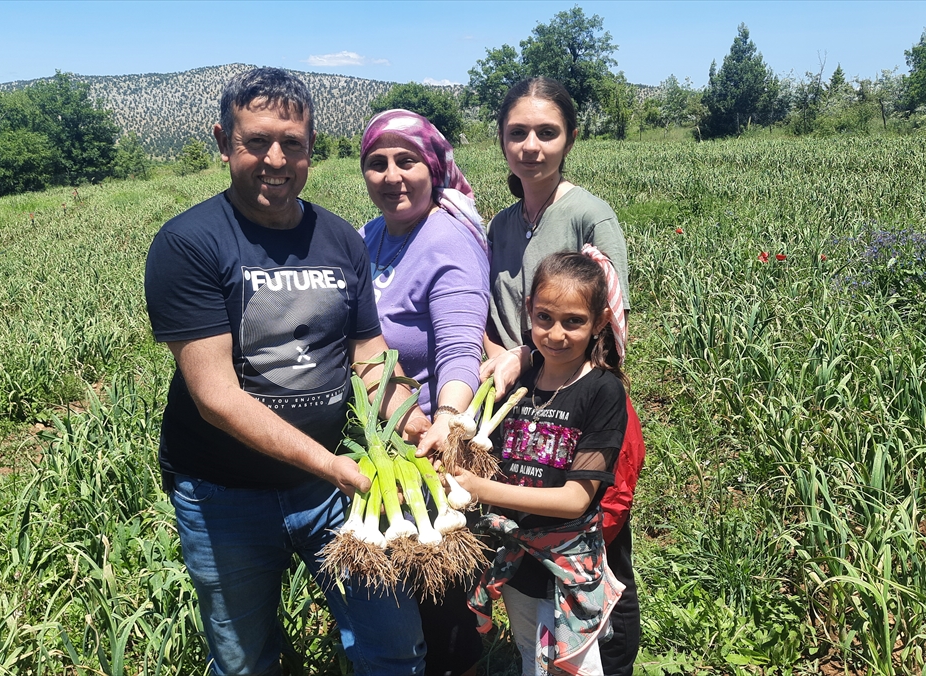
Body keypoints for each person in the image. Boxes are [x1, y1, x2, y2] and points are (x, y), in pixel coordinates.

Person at [144, 67, 427, 676]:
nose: (275, 160)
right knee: (246, 662)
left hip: (334, 488)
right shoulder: (189, 243)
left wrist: (406, 414)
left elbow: (368, 351)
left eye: (291, 143)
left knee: (394, 644)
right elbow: (216, 397)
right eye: (256, 141)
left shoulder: (340, 239)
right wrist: (330, 465)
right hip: (225, 494)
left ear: (311, 147)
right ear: (224, 142)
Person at [480, 76, 644, 675]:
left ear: (570, 138)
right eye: (518, 132)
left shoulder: (589, 216)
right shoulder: (501, 224)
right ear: (501, 139)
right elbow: (491, 314)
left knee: (594, 539)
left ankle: (605, 658)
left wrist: (526, 355)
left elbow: (607, 326)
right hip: (514, 407)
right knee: (528, 537)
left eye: (546, 132)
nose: (532, 146)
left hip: (577, 403)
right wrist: (496, 357)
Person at [356, 109, 490, 676]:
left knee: (440, 602)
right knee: (403, 594)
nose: (392, 176)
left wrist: (448, 417)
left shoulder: (446, 239)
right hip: (382, 435)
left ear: (433, 168)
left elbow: (460, 345)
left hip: (428, 442)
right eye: (377, 163)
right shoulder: (369, 235)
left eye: (406, 161)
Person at [458, 251, 628, 676]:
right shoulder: (520, 381)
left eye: (573, 321)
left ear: (600, 321)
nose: (555, 334)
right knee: (530, 656)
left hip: (568, 564)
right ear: (529, 309)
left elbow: (575, 499)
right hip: (517, 560)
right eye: (544, 318)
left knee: (575, 667)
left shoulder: (602, 391)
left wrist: (480, 490)